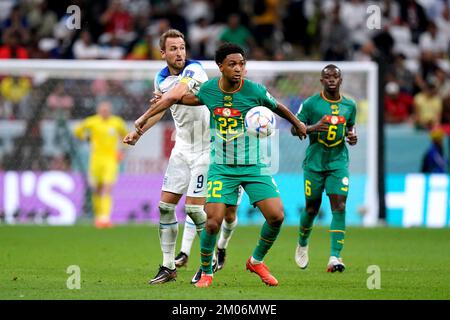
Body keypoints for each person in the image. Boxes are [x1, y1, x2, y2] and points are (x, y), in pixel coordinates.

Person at [135, 43, 307, 287]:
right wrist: (159, 102)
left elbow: (276, 106)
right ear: (220, 67)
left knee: (277, 216)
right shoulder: (209, 90)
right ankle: (206, 272)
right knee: (212, 221)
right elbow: (184, 99)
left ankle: (256, 260)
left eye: (242, 64)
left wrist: (298, 123)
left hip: (253, 166)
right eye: (233, 64)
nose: (239, 69)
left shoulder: (254, 90)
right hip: (222, 167)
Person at [123, 29, 239, 285]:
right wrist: (138, 132)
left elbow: (174, 96)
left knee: (195, 209)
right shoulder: (160, 78)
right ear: (162, 53)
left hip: (207, 148)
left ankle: (206, 265)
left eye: (182, 47)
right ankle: (167, 266)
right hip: (182, 148)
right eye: (173, 49)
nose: (179, 53)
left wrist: (144, 114)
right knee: (165, 207)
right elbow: (161, 109)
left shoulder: (194, 70)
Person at [291, 64, 358, 272]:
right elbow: (295, 129)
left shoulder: (350, 105)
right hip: (315, 163)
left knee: (339, 207)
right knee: (312, 208)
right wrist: (312, 128)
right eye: (327, 77)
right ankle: (302, 243)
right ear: (321, 81)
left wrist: (352, 135)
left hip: (338, 163)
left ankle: (335, 257)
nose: (331, 80)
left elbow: (350, 126)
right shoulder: (311, 104)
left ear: (340, 80)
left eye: (335, 77)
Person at [74, 100, 128, 228]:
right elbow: (77, 131)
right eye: (103, 110)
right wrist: (85, 137)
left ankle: (105, 218)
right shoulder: (92, 121)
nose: (105, 112)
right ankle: (99, 217)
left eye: (107, 110)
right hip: (96, 159)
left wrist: (122, 150)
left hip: (110, 159)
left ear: (110, 111)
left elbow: (126, 136)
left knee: (108, 187)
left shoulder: (116, 122)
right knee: (97, 188)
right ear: (99, 111)